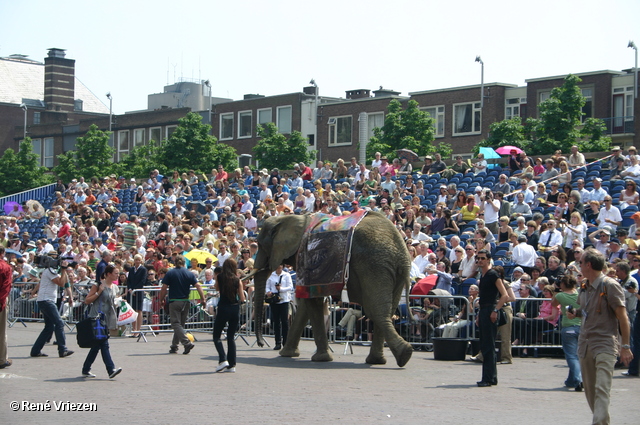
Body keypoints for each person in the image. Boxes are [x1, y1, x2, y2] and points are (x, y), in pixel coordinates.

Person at [568, 248, 633, 424]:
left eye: (580, 263)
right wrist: (576, 312)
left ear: (588, 264)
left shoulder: (610, 285)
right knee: (590, 392)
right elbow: (585, 310)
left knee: (602, 388)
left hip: (604, 343)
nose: (578, 266)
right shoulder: (584, 286)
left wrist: (625, 346)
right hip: (585, 343)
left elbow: (622, 316)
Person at [81, 263, 122, 379]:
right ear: (108, 274)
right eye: (115, 273)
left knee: (97, 345)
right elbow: (87, 300)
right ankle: (111, 369)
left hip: (107, 318)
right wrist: (99, 292)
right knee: (104, 343)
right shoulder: (98, 285)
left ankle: (86, 368)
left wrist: (119, 302)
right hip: (96, 317)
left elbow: (114, 301)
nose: (117, 275)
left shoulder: (115, 287)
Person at [475, 249, 509, 387]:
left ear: (488, 259)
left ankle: (488, 378)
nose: (480, 260)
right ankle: (491, 377)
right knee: (485, 344)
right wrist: (479, 314)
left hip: (490, 310)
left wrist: (495, 310)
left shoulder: (493, 274)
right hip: (484, 310)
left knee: (488, 345)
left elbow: (505, 295)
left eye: (483, 258)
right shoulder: (483, 276)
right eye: (478, 258)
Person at [159, 256, 206, 354]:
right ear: (184, 263)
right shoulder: (189, 273)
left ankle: (186, 343)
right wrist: (203, 298)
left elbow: (164, 288)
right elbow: (198, 285)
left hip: (174, 301)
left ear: (175, 262)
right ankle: (174, 346)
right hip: (185, 301)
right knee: (179, 325)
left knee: (176, 324)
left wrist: (161, 299)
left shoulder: (170, 273)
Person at [30, 255, 74, 358]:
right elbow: (61, 283)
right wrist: (63, 270)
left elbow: (63, 282)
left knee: (49, 327)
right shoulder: (50, 271)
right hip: (47, 301)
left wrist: (63, 271)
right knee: (59, 323)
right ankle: (62, 349)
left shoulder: (48, 271)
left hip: (45, 301)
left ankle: (35, 350)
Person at [213, 258, 245, 373]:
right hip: (234, 307)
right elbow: (242, 298)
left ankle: (222, 359)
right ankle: (232, 364)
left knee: (216, 335)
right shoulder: (237, 280)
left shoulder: (220, 277)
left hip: (223, 307)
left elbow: (216, 288)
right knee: (231, 337)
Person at [266, 264, 293, 350]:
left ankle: (285, 342)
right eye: (277, 267)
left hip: (284, 300)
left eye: (280, 267)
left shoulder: (287, 275)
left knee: (284, 321)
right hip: (274, 300)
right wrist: (268, 292)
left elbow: (290, 287)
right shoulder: (271, 275)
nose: (278, 269)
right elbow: (267, 286)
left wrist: (281, 289)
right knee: (276, 321)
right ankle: (277, 342)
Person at [126, 254, 147, 337]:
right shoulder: (131, 269)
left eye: (139, 260)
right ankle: (134, 329)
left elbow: (143, 281)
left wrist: (135, 290)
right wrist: (130, 289)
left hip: (139, 292)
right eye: (136, 260)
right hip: (132, 292)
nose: (137, 261)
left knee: (139, 310)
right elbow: (129, 280)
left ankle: (138, 329)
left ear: (141, 261)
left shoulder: (143, 269)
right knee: (133, 310)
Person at [0, 247, 12, 369]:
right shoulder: (5, 267)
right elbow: (6, 286)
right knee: (1, 331)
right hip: (0, 300)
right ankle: (2, 359)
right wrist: (2, 302)